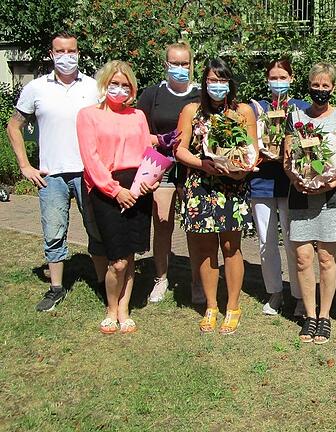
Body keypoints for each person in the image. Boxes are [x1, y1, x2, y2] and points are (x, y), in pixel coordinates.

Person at [6, 31, 107, 312]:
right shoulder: (36, 88)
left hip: (88, 172)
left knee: (96, 229)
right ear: (51, 54)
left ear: (78, 53)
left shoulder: (94, 86)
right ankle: (56, 288)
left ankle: (102, 283)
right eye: (60, 51)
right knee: (53, 231)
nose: (66, 56)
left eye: (71, 51)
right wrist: (25, 166)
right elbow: (13, 126)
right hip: (52, 174)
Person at [175, 58, 259, 335]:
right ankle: (211, 305)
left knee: (230, 248)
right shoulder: (191, 110)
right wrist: (202, 164)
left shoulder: (243, 111)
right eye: (212, 80)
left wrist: (241, 169)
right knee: (204, 250)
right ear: (204, 83)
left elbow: (252, 148)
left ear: (230, 83)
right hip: (200, 187)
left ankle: (232, 306)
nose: (217, 86)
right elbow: (180, 149)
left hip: (232, 188)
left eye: (222, 80)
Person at [76, 60, 157, 334]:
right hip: (106, 189)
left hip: (138, 187)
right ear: (104, 84)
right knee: (117, 259)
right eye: (115, 83)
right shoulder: (88, 115)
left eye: (125, 85)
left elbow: (148, 153)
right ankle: (111, 308)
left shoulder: (138, 116)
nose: (119, 89)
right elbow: (91, 159)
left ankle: (125, 309)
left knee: (131, 254)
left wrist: (150, 182)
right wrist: (114, 190)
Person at [283, 62, 336, 344]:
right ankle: (309, 316)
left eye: (326, 86)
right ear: (308, 86)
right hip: (299, 194)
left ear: (333, 88)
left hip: (330, 197)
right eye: (316, 85)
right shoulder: (296, 116)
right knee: (302, 259)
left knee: (326, 258)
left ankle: (324, 317)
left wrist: (328, 182)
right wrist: (296, 179)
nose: (320, 90)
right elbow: (287, 158)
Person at [137, 41, 202, 304]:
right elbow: (137, 130)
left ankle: (197, 281)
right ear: (166, 64)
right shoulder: (152, 95)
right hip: (160, 166)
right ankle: (161, 278)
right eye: (174, 63)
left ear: (191, 65)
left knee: (195, 226)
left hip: (191, 168)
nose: (179, 68)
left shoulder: (200, 95)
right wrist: (158, 139)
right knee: (163, 224)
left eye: (184, 63)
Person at [248, 58, 310, 317]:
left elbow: (311, 145)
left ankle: (299, 295)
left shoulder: (302, 109)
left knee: (294, 241)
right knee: (266, 241)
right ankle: (275, 292)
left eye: (283, 77)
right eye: (273, 77)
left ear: (292, 79)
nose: (278, 82)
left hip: (290, 182)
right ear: (266, 80)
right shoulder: (256, 109)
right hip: (262, 181)